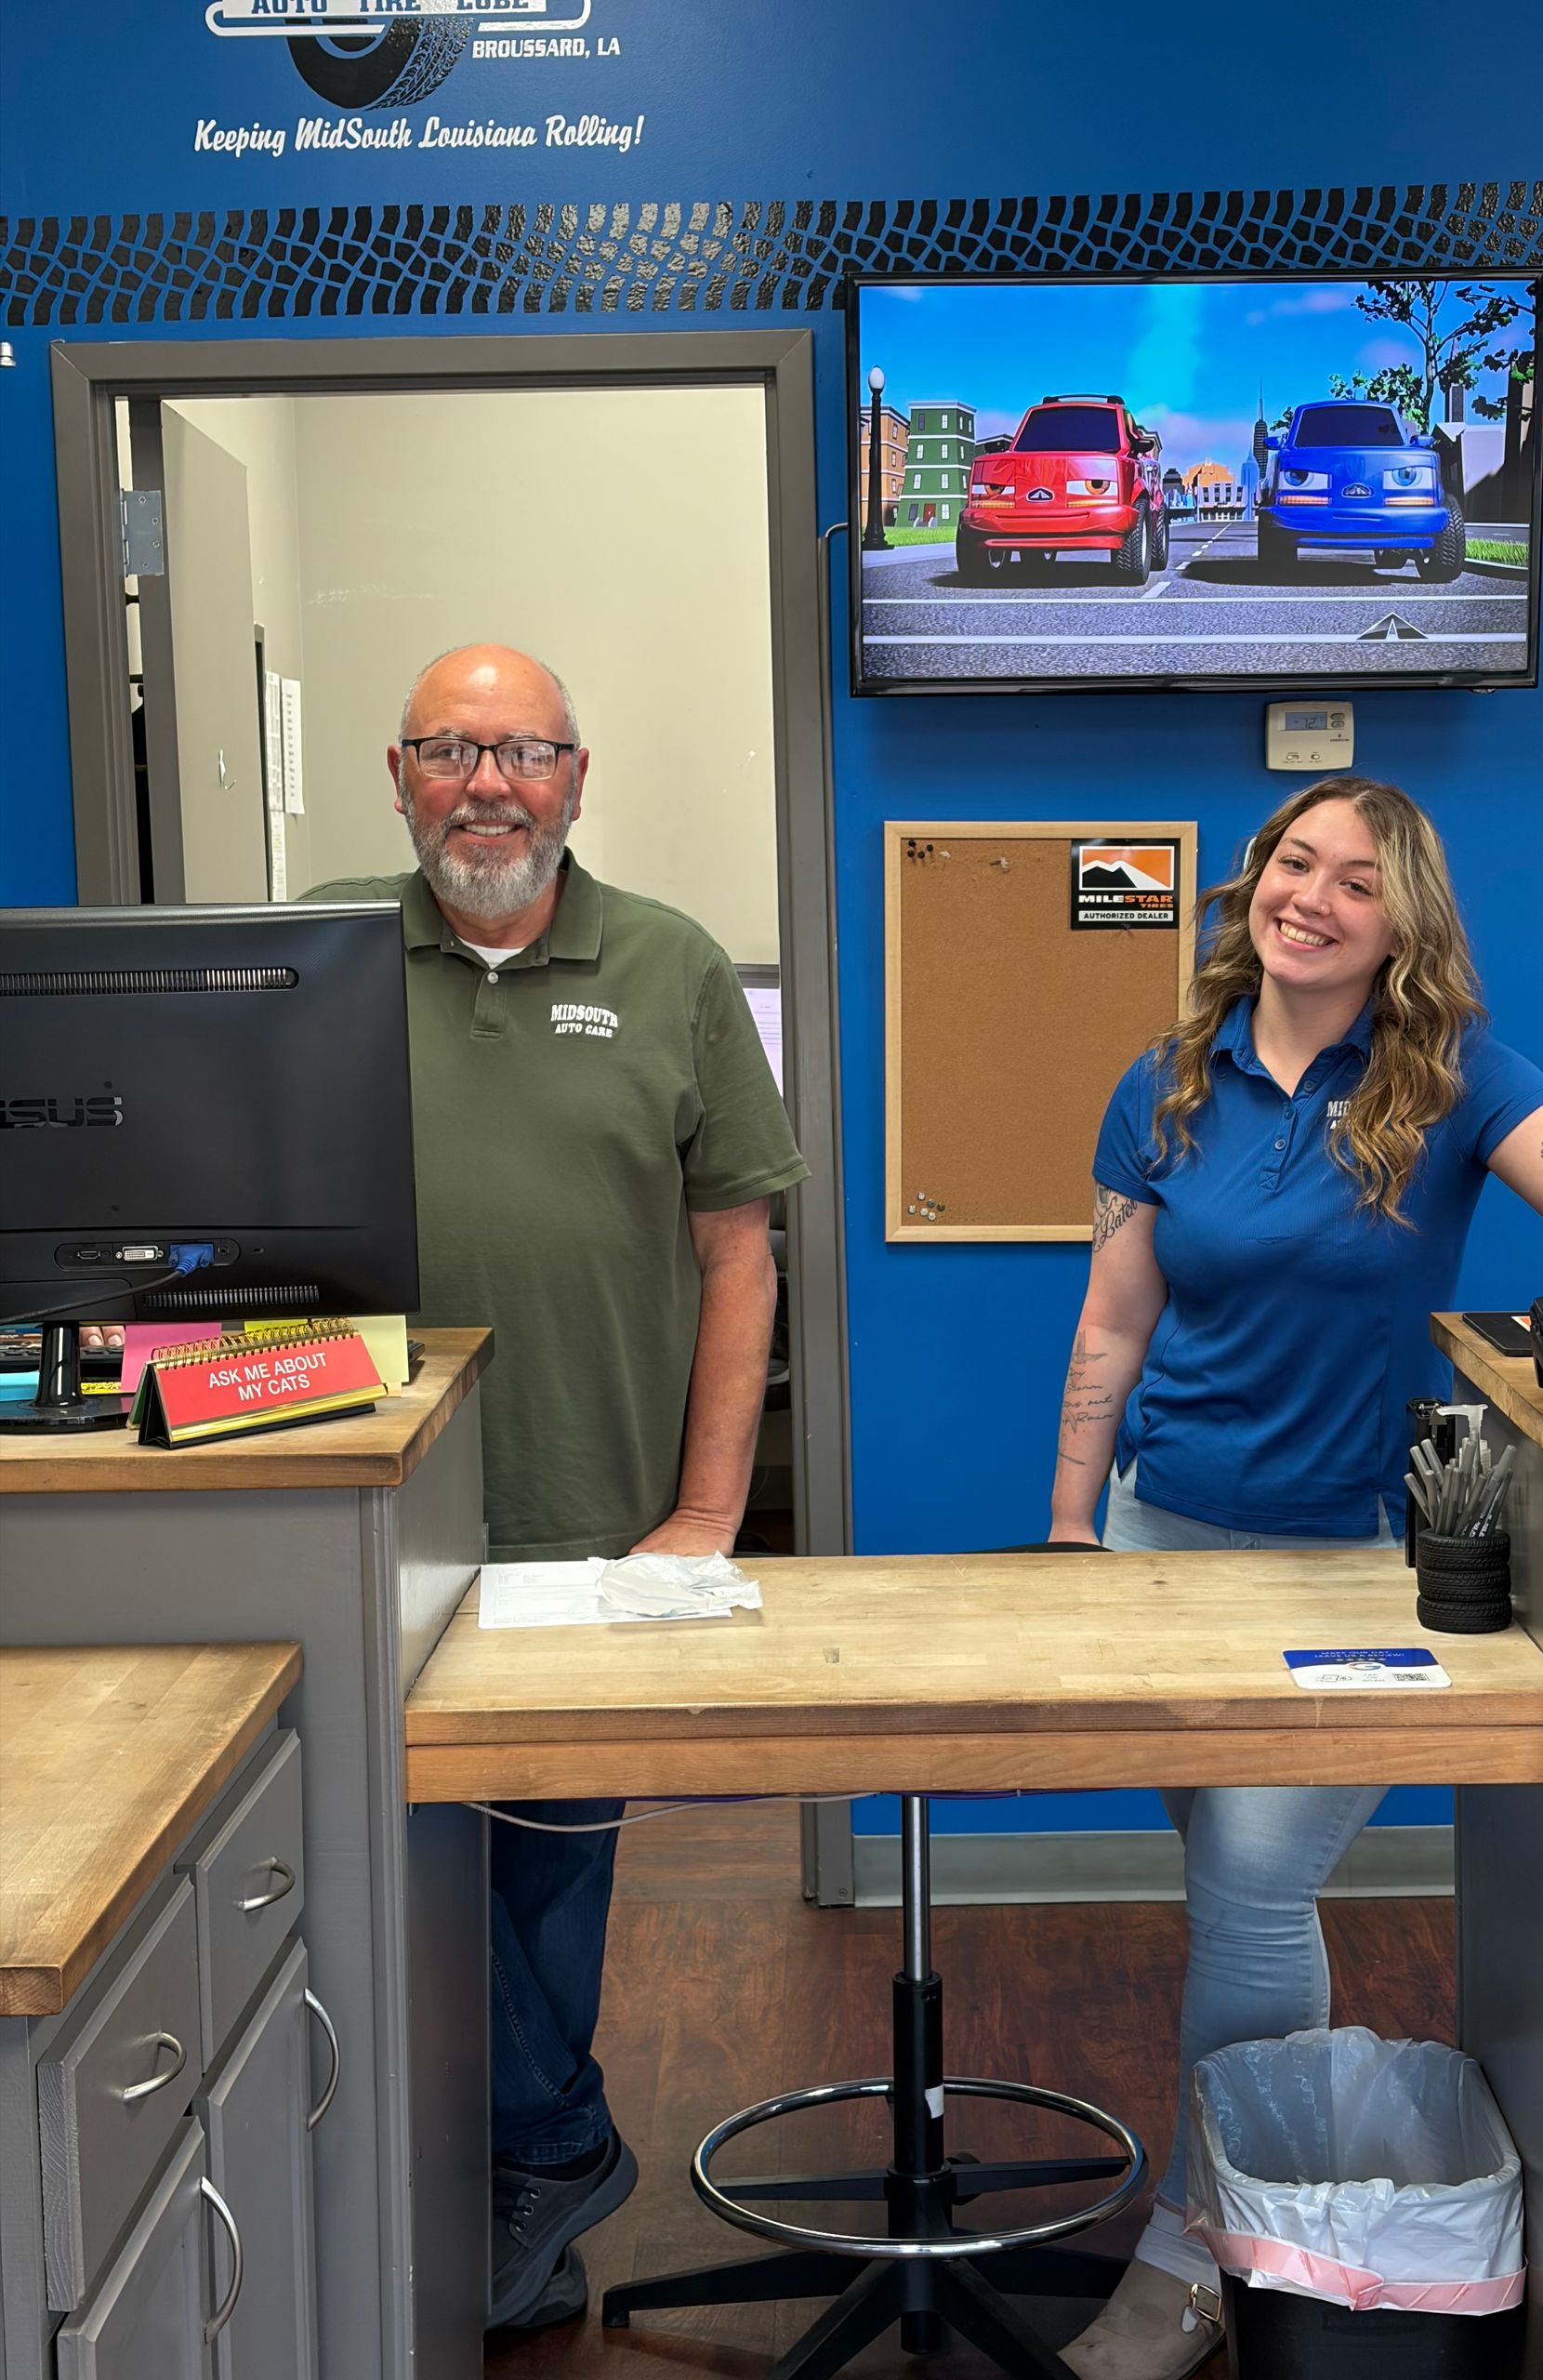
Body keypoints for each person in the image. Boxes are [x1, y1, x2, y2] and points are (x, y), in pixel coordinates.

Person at [1048, 776, 1543, 2380]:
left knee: (1250, 1897)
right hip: (1167, 1543)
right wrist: (1073, 1530)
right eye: (1293, 862)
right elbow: (1113, 1326)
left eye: (1355, 881)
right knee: (1227, 1884)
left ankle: (1191, 2257)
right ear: (1253, 887)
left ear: (1401, 922)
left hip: (1361, 1569)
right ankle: (1281, 2206)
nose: (1312, 895)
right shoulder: (1165, 1085)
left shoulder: (1455, 1081)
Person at [305, 642, 810, 2333]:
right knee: (391, 1858)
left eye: (523, 750)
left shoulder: (665, 965)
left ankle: (520, 2187)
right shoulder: (320, 954)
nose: (489, 784)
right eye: (451, 749)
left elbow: (740, 1257)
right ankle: (556, 2149)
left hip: (596, 1513)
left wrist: (710, 1510)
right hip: (361, 1509)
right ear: (397, 776)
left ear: (578, 777)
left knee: (549, 1867)